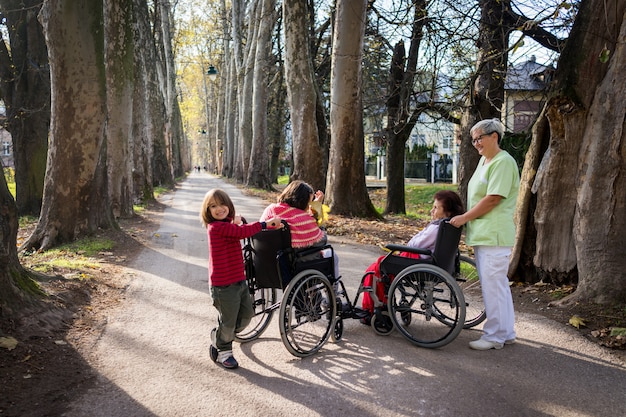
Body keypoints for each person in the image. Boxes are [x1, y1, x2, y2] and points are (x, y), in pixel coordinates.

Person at [449, 118, 520, 351]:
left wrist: (464, 218)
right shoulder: (485, 161)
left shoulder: (503, 162)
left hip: (494, 234)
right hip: (484, 234)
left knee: (493, 286)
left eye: (480, 138)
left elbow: (493, 199)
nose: (476, 143)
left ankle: (494, 336)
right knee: (498, 286)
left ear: (494, 137)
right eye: (473, 139)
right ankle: (506, 332)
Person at [200, 188, 283, 369]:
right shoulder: (216, 228)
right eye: (213, 206)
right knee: (229, 322)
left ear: (229, 206)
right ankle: (224, 351)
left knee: (247, 315)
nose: (219, 208)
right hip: (223, 286)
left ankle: (221, 335)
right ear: (207, 211)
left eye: (222, 204)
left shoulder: (227, 225)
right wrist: (264, 225)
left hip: (239, 280)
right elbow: (239, 233)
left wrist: (236, 220)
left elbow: (235, 227)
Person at [361, 190, 465, 317]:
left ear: (448, 212)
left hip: (419, 263)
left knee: (378, 267)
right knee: (377, 266)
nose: (431, 211)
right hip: (434, 263)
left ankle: (374, 308)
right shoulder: (447, 227)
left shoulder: (436, 228)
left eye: (436, 208)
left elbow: (414, 245)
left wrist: (412, 240)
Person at [260, 180, 339, 276]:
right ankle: (332, 288)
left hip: (268, 263)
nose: (308, 206)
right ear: (302, 201)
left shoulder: (270, 210)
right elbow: (321, 240)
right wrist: (316, 209)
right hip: (294, 263)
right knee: (332, 255)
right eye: (309, 203)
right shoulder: (302, 219)